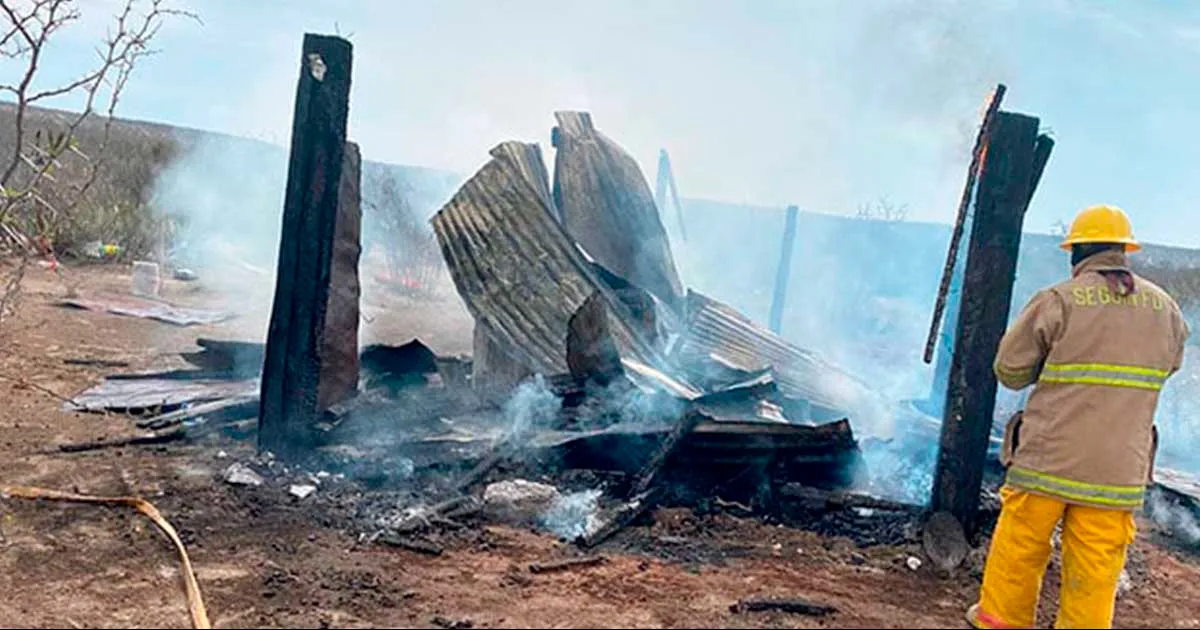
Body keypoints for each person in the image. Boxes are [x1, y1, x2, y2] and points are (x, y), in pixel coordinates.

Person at [967, 204, 1190, 629]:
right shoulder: (1165, 308)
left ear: (1077, 252)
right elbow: (1170, 364)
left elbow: (1009, 371)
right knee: (1095, 568)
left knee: (1021, 548)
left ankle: (1001, 623)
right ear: (1124, 250)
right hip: (1118, 469)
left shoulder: (1059, 300)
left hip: (1048, 459)